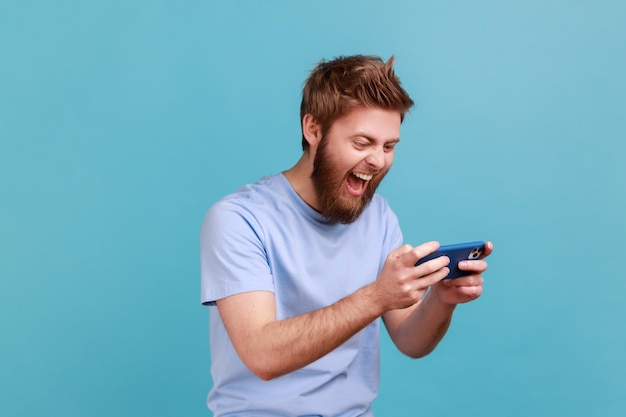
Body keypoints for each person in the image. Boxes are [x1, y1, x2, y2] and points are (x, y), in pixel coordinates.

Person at [200, 54, 493, 416]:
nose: (378, 161)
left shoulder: (379, 216)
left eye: (389, 146)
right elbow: (262, 355)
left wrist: (441, 299)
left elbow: (410, 340)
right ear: (313, 129)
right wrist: (377, 296)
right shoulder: (238, 219)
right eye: (362, 143)